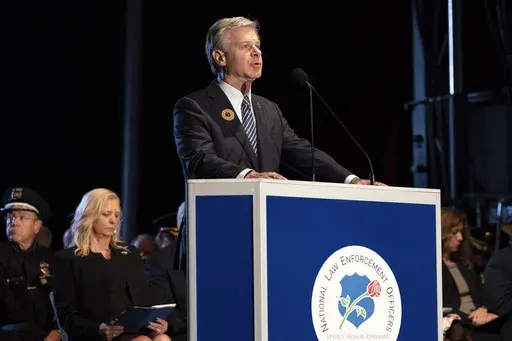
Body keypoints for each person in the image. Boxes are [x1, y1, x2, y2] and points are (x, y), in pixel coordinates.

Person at [172, 16, 384, 270]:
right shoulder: (195, 106)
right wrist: (249, 176)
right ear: (220, 57)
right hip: (216, 232)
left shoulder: (267, 109)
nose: (256, 53)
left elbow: (301, 151)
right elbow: (199, 160)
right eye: (245, 47)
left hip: (265, 232)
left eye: (258, 46)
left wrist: (350, 180)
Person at [53, 188, 170, 341]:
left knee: (162, 338)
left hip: (132, 330)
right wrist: (98, 329)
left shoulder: (130, 254)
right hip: (97, 334)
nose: (113, 221)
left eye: (116, 215)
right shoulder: (69, 259)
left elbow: (144, 300)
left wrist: (156, 322)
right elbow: (67, 315)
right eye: (106, 214)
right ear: (90, 216)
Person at [0, 187, 60, 341]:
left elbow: (64, 303)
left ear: (37, 226)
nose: (15, 222)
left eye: (23, 217)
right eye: (11, 217)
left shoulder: (52, 259)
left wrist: (56, 332)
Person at [440, 207, 499, 340]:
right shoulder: (433, 269)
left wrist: (484, 309)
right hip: (461, 324)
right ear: (443, 233)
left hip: (477, 320)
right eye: (455, 232)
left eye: (461, 233)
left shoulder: (464, 267)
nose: (460, 238)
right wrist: (471, 318)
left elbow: (484, 296)